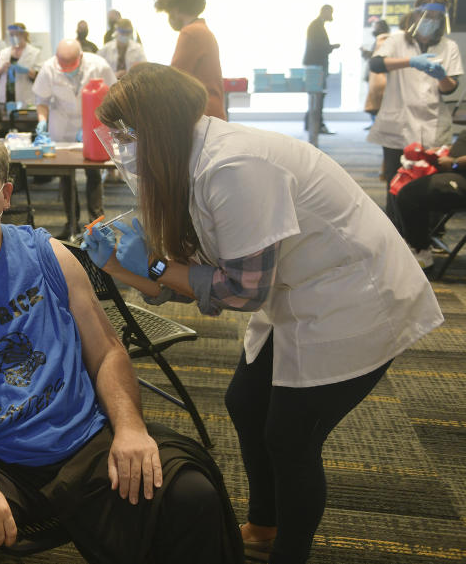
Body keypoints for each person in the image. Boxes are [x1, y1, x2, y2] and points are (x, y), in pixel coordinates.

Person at [83, 63, 443, 564]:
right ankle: (266, 523)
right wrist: (121, 268)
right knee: (245, 403)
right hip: (300, 291)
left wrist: (157, 263)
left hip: (354, 297)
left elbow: (239, 291)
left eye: (126, 134)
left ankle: (288, 554)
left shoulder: (232, 167)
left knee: (290, 438)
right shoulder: (191, 160)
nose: (120, 146)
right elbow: (196, 284)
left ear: (157, 129)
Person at [0, 129, 241, 564]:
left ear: (4, 196)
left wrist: (131, 427)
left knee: (191, 493)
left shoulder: (47, 255)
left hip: (79, 436)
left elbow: (108, 350)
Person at [368, 0, 462, 185]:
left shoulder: (449, 46)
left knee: (429, 184)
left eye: (437, 17)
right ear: (416, 15)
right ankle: (394, 217)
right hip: (398, 126)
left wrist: (441, 77)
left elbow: (450, 89)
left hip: (432, 125)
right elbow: (376, 64)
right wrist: (410, 62)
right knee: (396, 182)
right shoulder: (397, 40)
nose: (431, 21)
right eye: (426, 15)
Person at [33, 39, 116, 238]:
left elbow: (113, 95)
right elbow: (41, 100)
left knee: (94, 173)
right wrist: (42, 121)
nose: (67, 67)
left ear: (80, 56)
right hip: (62, 127)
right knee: (65, 175)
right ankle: (71, 223)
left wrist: (102, 124)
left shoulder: (98, 65)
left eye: (71, 63)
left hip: (93, 124)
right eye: (63, 63)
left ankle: (96, 223)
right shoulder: (48, 68)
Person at [154, 0, 226, 121]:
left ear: (175, 10)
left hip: (203, 115)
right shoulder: (202, 30)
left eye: (168, 13)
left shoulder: (190, 32)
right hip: (212, 113)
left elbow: (174, 79)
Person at [394, 138, 466, 268]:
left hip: (461, 175)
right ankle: (416, 244)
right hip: (457, 170)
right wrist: (446, 149)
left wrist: (455, 162)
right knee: (404, 181)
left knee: (411, 195)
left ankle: (421, 254)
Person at [303, 5, 340, 134]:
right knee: (316, 96)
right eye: (330, 12)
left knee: (316, 96)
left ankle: (313, 123)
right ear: (324, 12)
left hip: (317, 65)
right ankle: (316, 124)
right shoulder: (316, 26)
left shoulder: (318, 25)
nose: (332, 16)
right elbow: (318, 46)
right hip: (316, 66)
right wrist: (331, 47)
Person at [0, 23, 42, 109]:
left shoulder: (35, 52)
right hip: (5, 96)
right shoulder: (3, 52)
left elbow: (38, 76)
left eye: (16, 34)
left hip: (25, 96)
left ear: (24, 34)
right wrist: (2, 68)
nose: (14, 37)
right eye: (11, 35)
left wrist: (26, 70)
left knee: (23, 119)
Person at [363, 19, 391, 134]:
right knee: (375, 101)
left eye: (376, 27)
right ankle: (375, 123)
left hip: (380, 77)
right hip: (374, 75)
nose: (374, 29)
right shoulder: (378, 40)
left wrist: (368, 54)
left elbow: (378, 57)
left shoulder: (384, 40)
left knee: (378, 101)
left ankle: (378, 124)